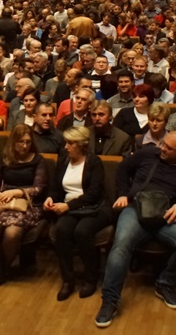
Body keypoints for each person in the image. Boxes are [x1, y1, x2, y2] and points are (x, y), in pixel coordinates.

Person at [96, 131, 176, 327]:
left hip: (168, 214)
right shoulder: (148, 153)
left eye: (168, 148)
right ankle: (109, 299)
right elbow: (122, 169)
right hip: (136, 209)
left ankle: (165, 283)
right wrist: (123, 194)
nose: (162, 148)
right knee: (121, 244)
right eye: (163, 144)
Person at [44, 126, 111, 301]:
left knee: (82, 231)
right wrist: (51, 198)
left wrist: (68, 206)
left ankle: (91, 277)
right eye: (66, 143)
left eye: (70, 143)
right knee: (62, 230)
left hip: (94, 208)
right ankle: (68, 280)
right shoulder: (64, 161)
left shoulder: (93, 162)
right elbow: (55, 187)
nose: (66, 147)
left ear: (81, 145)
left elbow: (93, 194)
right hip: (72, 208)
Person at [0, 124, 48, 291]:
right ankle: (0, 270)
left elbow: (39, 188)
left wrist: (18, 192)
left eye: (27, 142)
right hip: (4, 201)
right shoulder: (3, 158)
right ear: (13, 142)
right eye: (20, 142)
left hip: (28, 203)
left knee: (12, 232)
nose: (24, 145)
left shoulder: (38, 160)